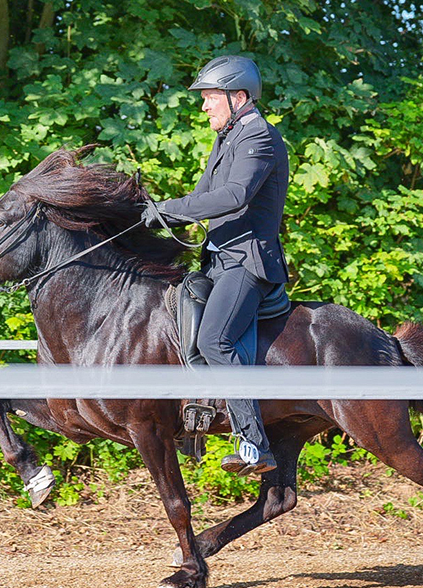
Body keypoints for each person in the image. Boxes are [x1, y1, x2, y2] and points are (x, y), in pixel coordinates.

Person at [143, 55, 290, 477]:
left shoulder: (258, 136)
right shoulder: (226, 138)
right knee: (174, 320)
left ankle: (253, 443)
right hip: (219, 259)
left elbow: (233, 196)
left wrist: (168, 210)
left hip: (247, 262)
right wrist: (155, 213)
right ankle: (194, 422)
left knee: (214, 341)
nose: (204, 106)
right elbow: (202, 196)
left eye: (210, 98)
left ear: (238, 96)